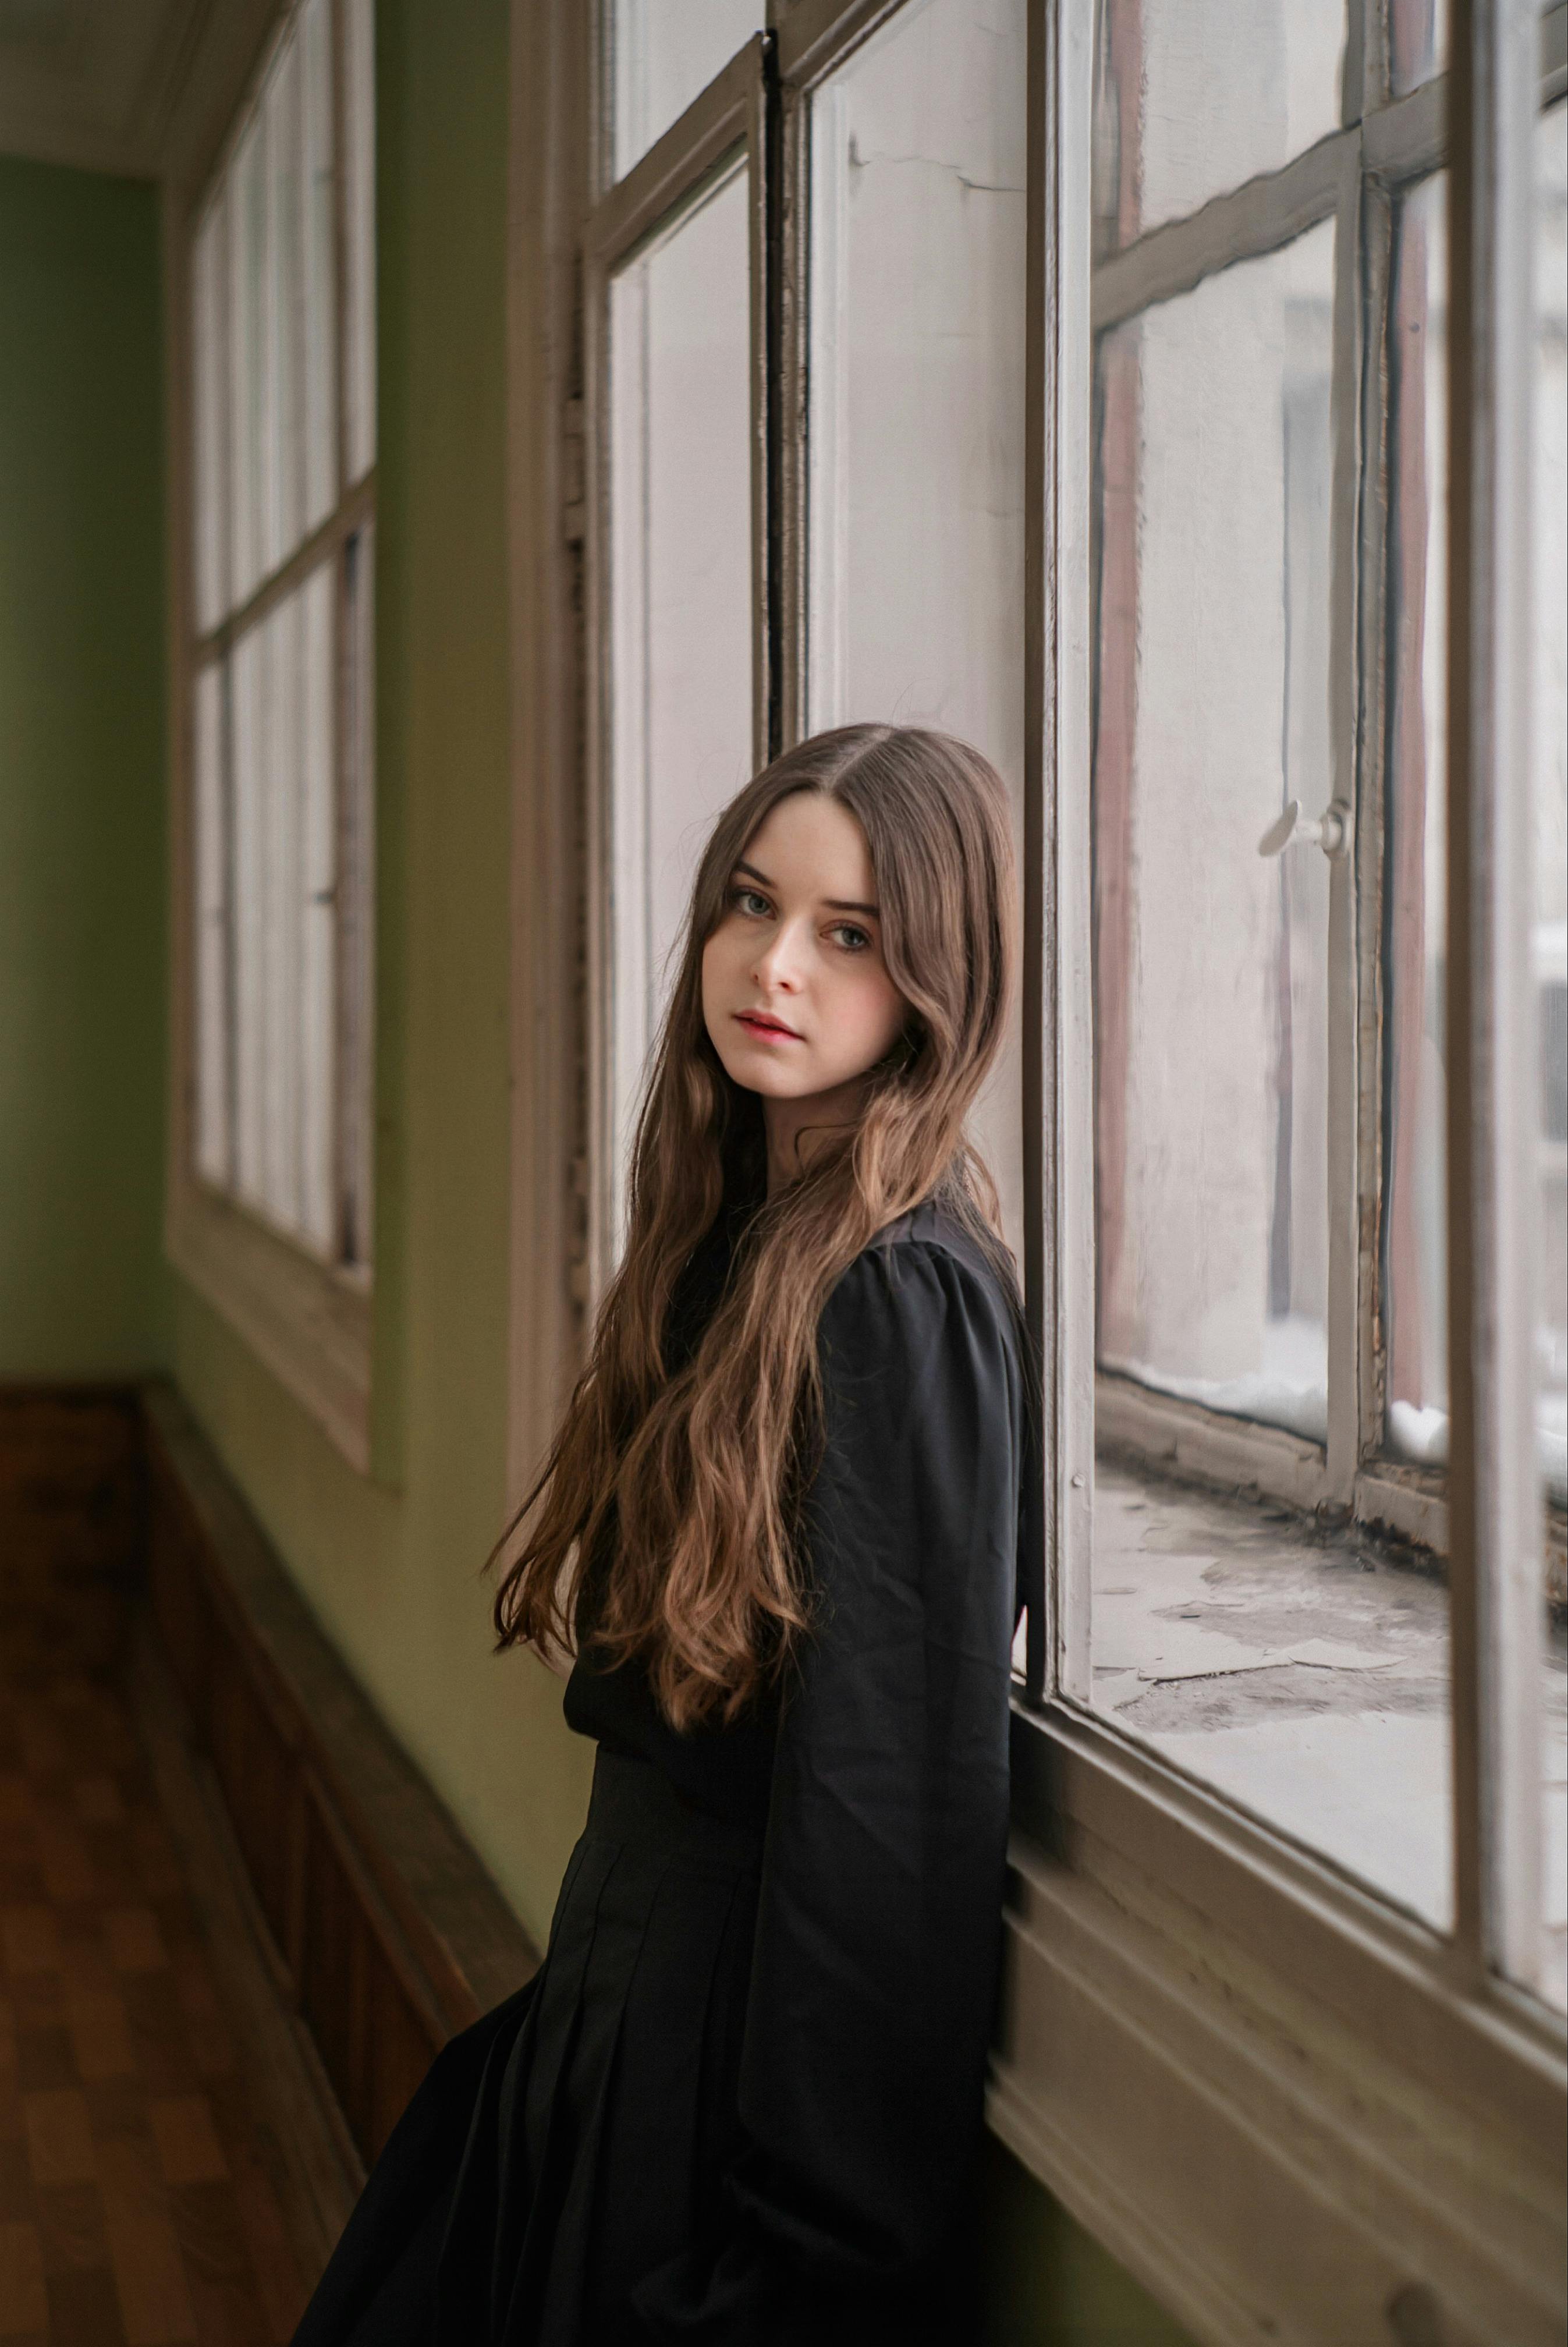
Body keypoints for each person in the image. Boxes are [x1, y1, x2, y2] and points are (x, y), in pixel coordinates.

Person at [293, 724, 1033, 2346]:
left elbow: (889, 1834)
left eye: (850, 936)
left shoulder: (896, 1297)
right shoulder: (740, 1238)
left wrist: (795, 2268)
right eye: (751, 905)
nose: (775, 966)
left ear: (939, 980)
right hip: (608, 2014)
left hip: (728, 2108)